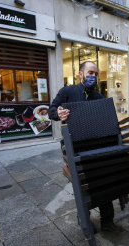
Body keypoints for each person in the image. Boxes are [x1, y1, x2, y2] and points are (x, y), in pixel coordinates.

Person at [49, 61, 123, 233]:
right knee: (84, 180)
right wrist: (58, 113)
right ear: (80, 74)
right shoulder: (67, 92)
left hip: (96, 144)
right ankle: (84, 219)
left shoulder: (99, 97)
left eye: (96, 74)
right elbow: (51, 110)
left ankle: (107, 221)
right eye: (90, 73)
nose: (93, 77)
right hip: (74, 145)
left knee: (105, 177)